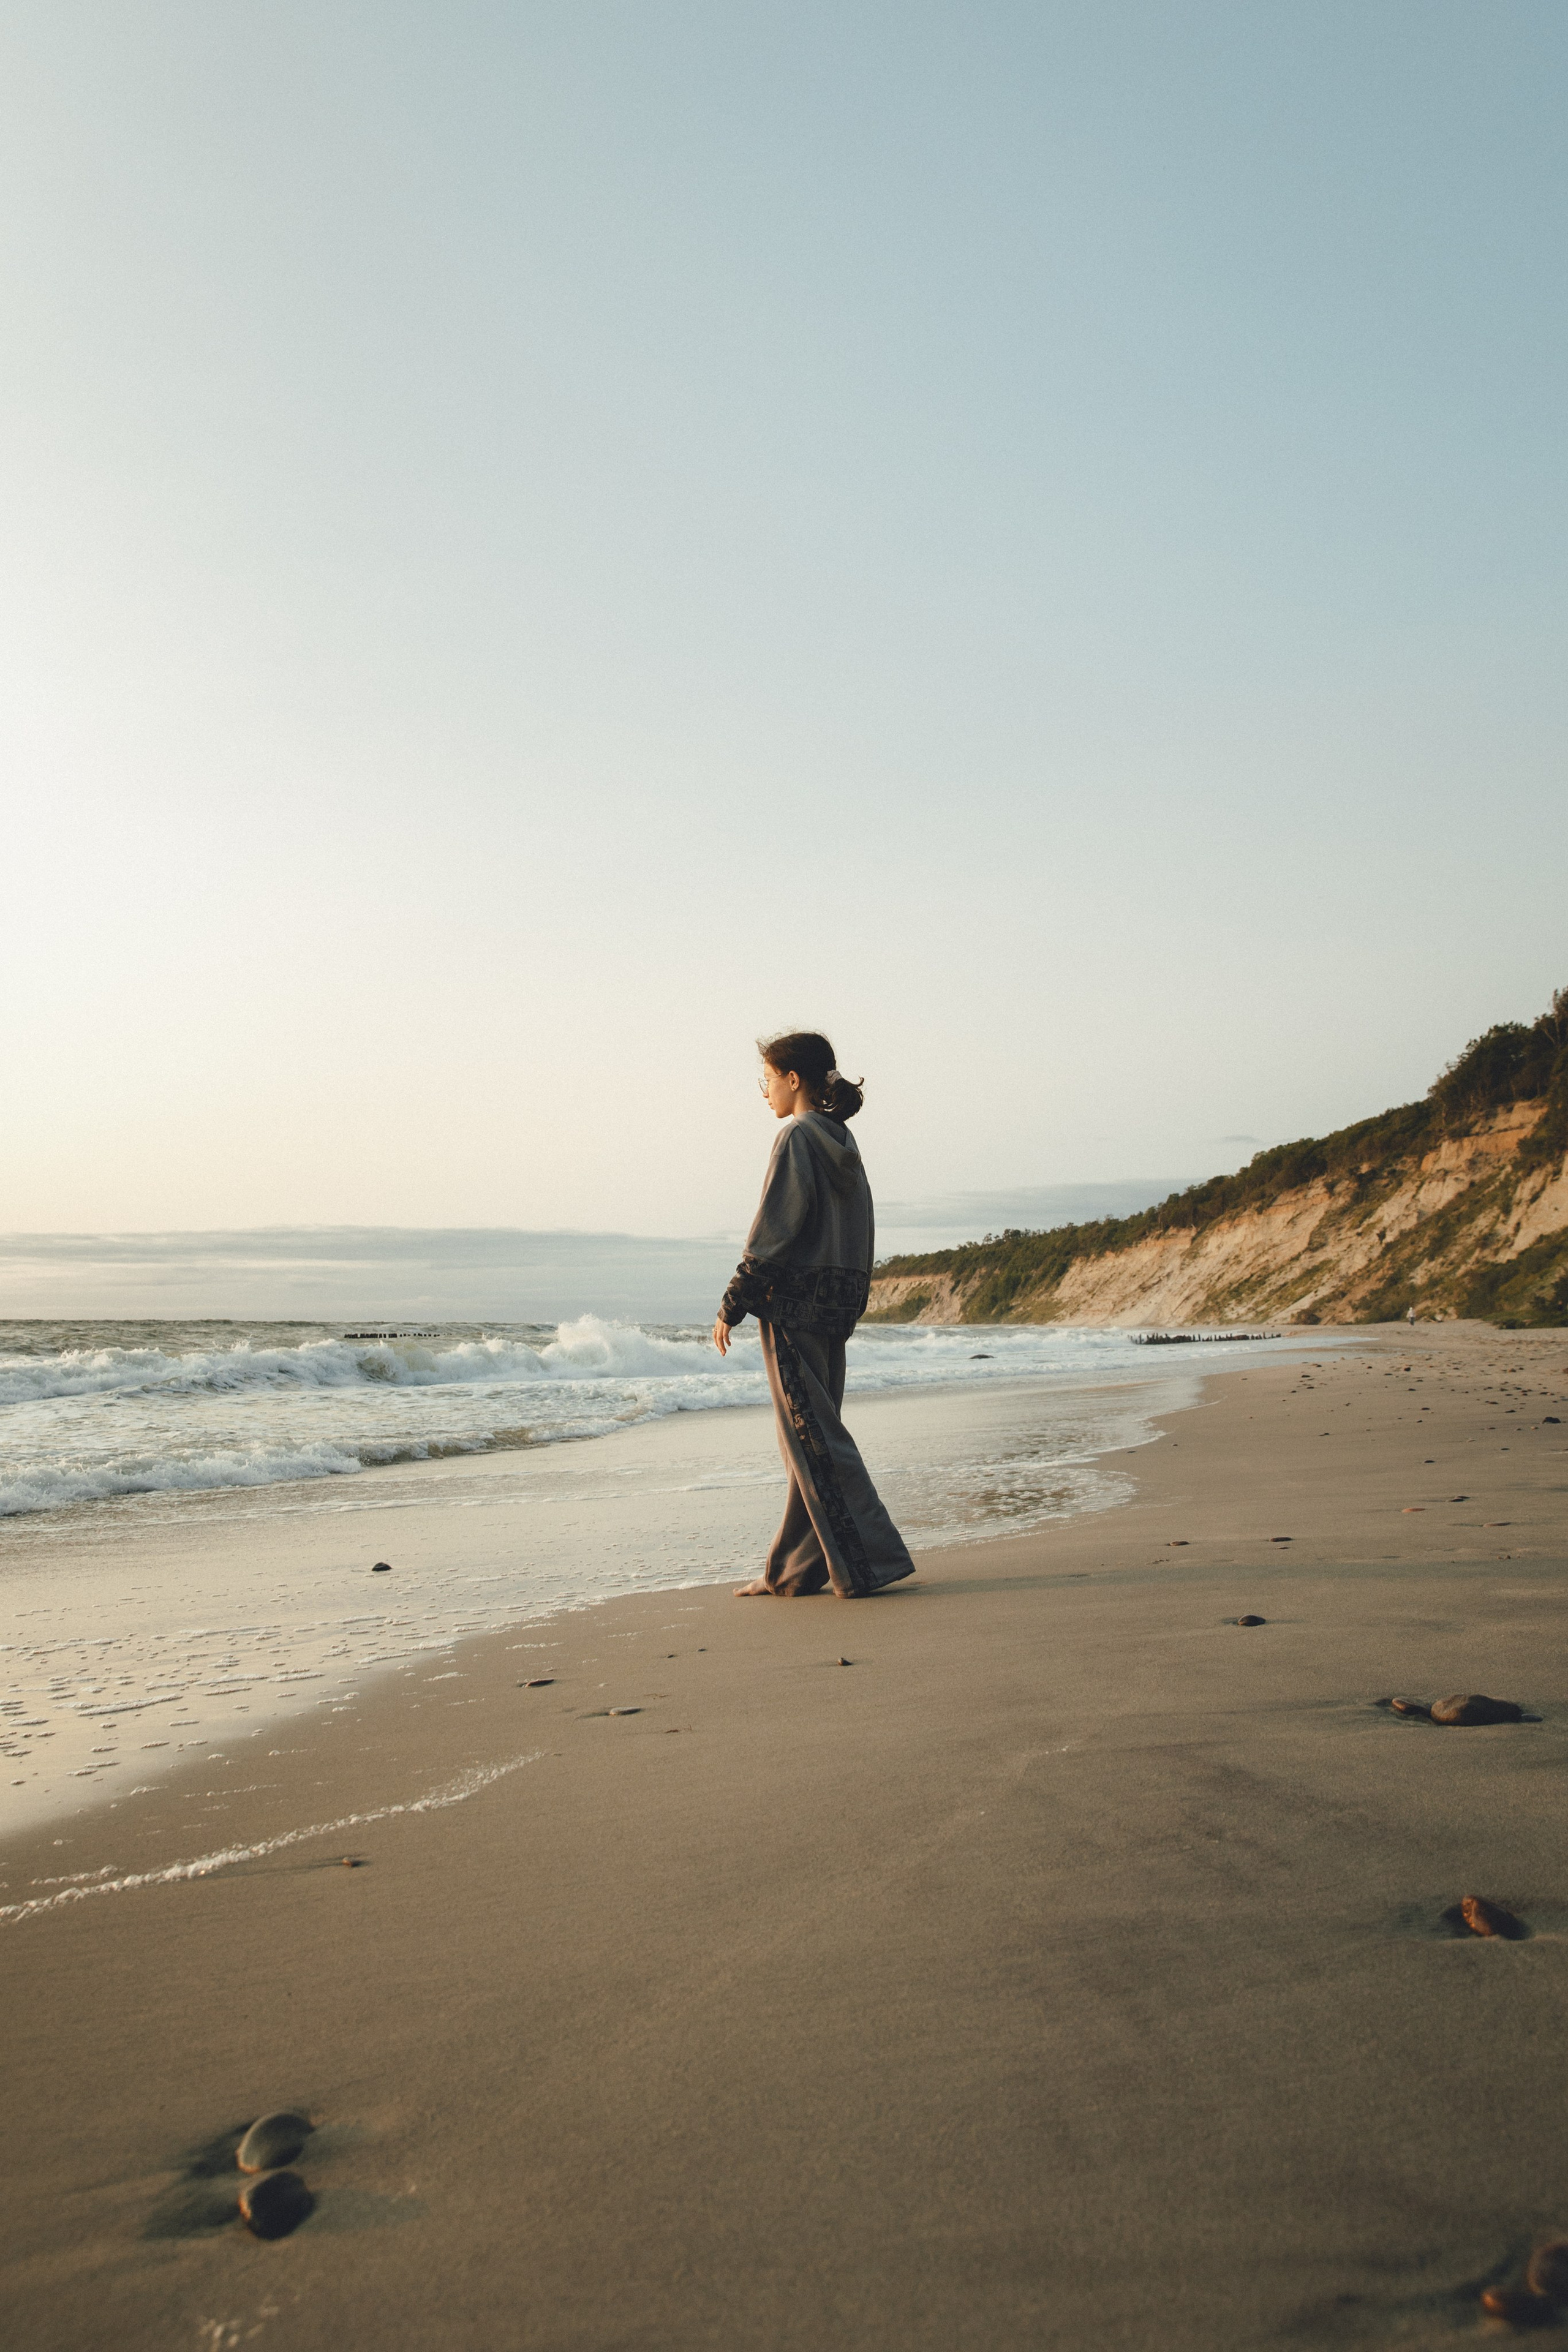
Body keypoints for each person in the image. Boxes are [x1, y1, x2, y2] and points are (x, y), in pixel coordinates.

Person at [714, 1030, 916, 1599]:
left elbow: (777, 1227)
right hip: (834, 1310)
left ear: (793, 1079)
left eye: (768, 1080)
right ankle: (794, 1571)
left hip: (796, 1311)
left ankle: (872, 1562)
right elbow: (860, 1230)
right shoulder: (841, 1140)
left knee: (816, 1442)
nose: (765, 1093)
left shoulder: (797, 1136)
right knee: (812, 1442)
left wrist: (735, 1299)